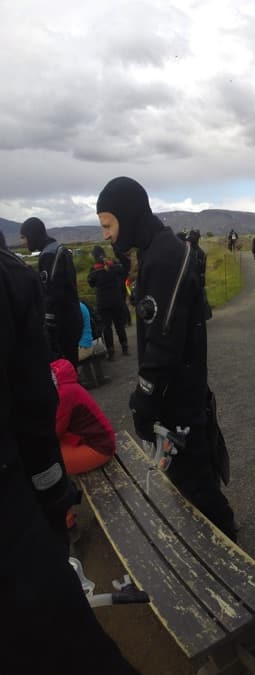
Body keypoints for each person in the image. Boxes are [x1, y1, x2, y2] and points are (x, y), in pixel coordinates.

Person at [0, 243, 138, 674]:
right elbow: (38, 427)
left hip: (98, 450)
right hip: (30, 505)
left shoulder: (64, 390)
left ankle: (70, 523)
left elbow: (46, 436)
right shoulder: (14, 283)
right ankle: (65, 520)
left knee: (51, 460)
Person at [96, 176, 237, 540]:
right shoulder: (154, 252)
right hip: (180, 392)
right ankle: (220, 541)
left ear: (127, 216)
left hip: (179, 398)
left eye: (108, 225)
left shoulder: (164, 257)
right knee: (192, 478)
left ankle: (231, 555)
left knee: (196, 483)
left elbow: (163, 341)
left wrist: (144, 400)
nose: (106, 235)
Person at [19, 217, 82, 365]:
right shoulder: (58, 248)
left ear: (32, 235)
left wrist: (48, 324)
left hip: (63, 322)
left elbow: (52, 292)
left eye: (24, 237)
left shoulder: (49, 254)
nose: (23, 242)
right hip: (71, 316)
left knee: (64, 369)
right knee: (71, 367)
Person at [51, 358, 116, 475]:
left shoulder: (63, 392)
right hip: (91, 440)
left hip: (99, 447)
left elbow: (55, 431)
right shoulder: (59, 381)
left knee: (49, 465)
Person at [87, 245, 129, 359]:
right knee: (119, 325)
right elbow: (123, 271)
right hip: (117, 300)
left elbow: (91, 283)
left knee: (107, 327)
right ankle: (125, 348)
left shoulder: (94, 270)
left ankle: (111, 353)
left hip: (103, 303)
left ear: (94, 256)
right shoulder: (114, 266)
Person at [187, 229, 213, 319]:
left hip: (195, 280)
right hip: (197, 280)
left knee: (198, 299)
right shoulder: (200, 252)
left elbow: (201, 269)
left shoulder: (194, 253)